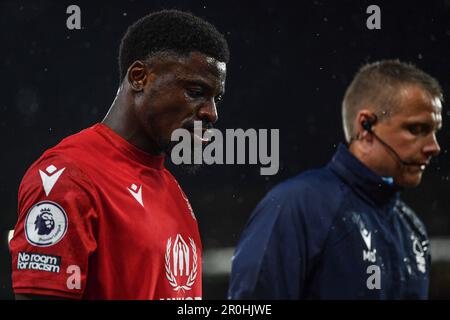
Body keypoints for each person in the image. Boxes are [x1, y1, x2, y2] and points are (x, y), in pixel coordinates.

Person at [10, 10, 229, 300]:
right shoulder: (68, 177)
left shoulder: (174, 192)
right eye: (196, 91)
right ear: (139, 77)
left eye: (216, 98)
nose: (211, 113)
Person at [229, 60, 443, 299]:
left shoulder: (411, 228)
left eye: (434, 131)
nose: (433, 147)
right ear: (365, 126)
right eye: (417, 129)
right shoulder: (297, 206)